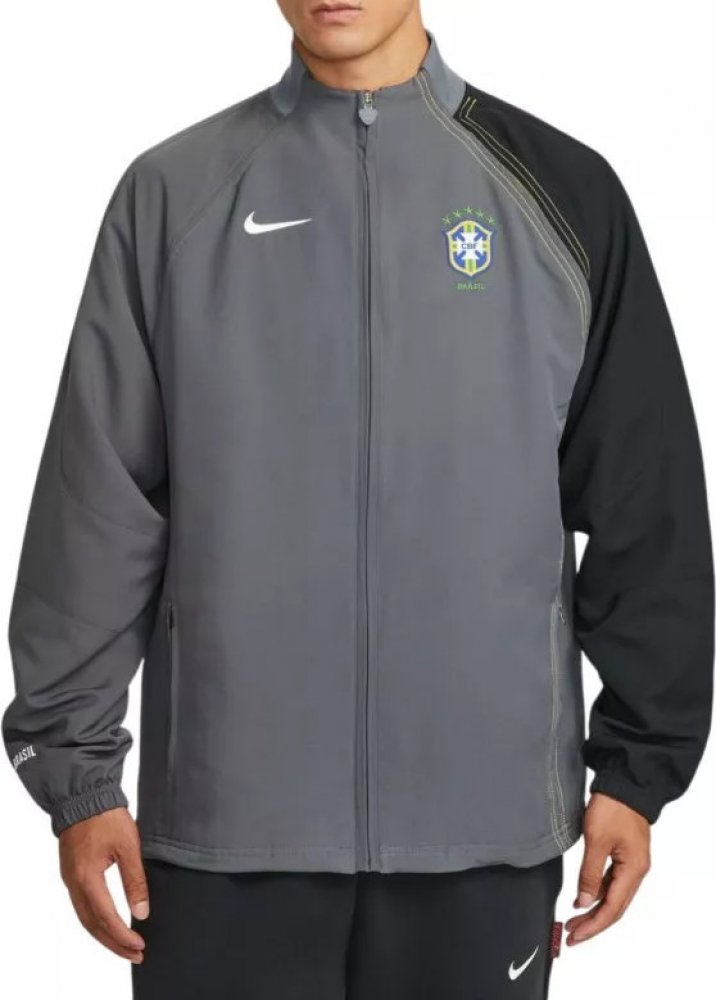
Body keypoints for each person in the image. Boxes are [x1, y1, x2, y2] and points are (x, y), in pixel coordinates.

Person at [3, 1, 713, 997]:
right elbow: (95, 503)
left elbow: (646, 504)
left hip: (483, 834)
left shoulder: (561, 193)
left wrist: (637, 771)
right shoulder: (172, 196)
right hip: (224, 834)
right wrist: (76, 780)